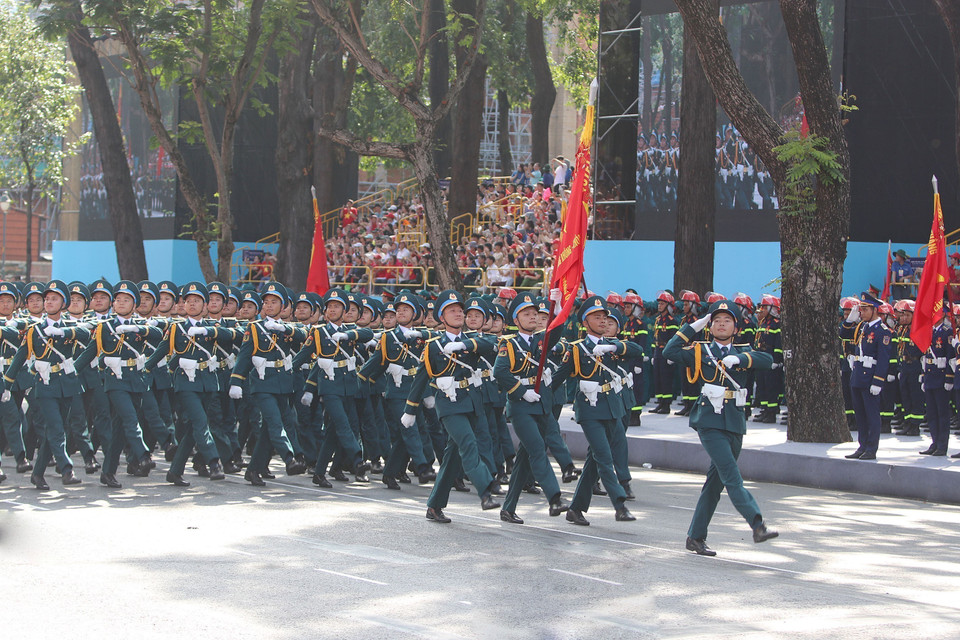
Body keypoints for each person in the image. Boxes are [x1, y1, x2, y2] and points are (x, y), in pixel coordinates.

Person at [662, 298, 778, 556]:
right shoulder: (701, 351)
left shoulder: (745, 350)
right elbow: (669, 351)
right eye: (716, 321)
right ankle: (756, 523)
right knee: (731, 475)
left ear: (736, 328)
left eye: (727, 321)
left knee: (715, 484)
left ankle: (695, 536)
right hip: (709, 421)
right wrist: (695, 325)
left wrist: (739, 360)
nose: (721, 324)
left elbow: (766, 359)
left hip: (735, 420)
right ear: (710, 326)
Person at [839, 292, 893, 460]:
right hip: (858, 376)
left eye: (864, 309)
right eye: (860, 309)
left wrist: (878, 381)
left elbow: (884, 360)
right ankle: (862, 446)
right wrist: (849, 321)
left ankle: (871, 448)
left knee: (871, 415)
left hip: (870, 378)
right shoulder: (862, 327)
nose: (860, 312)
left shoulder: (882, 331)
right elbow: (844, 334)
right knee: (860, 414)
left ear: (874, 310)